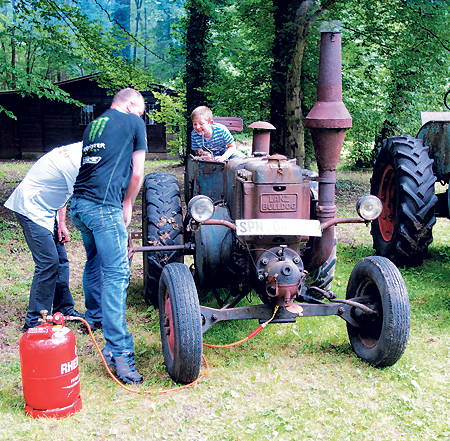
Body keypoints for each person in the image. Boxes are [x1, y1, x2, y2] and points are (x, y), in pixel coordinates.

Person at [70, 87, 147, 384]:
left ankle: (95, 316)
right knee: (117, 274)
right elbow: (138, 173)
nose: (142, 116)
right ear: (130, 106)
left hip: (78, 205)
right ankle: (119, 351)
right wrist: (127, 202)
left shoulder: (94, 124)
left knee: (95, 260)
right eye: (140, 110)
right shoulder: (133, 121)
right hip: (103, 207)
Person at [4, 142, 84, 332]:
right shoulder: (74, 160)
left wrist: (61, 223)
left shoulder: (84, 152)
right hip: (30, 207)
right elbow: (82, 193)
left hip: (48, 208)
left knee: (61, 261)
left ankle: (63, 309)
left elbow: (62, 192)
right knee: (48, 262)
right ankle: (34, 319)